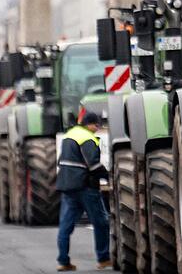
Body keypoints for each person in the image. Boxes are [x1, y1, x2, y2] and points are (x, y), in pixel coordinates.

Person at [55, 111, 111, 271]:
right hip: (85, 186)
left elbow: (62, 161)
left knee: (65, 226)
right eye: (97, 126)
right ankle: (103, 259)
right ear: (91, 125)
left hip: (67, 186)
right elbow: (93, 165)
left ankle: (63, 261)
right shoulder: (87, 138)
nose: (97, 129)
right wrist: (108, 176)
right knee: (101, 222)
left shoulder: (69, 135)